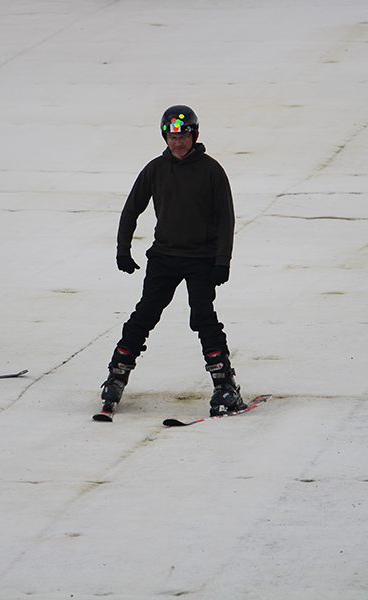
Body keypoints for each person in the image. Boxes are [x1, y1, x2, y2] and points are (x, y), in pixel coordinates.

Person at [98, 105, 245, 418]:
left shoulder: (211, 170)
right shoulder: (155, 169)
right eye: (172, 135)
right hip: (164, 257)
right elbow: (131, 209)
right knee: (145, 314)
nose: (178, 142)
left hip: (201, 259)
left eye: (184, 135)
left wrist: (223, 261)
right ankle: (116, 375)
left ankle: (225, 384)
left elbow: (226, 219)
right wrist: (123, 248)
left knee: (203, 316)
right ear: (165, 136)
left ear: (195, 135)